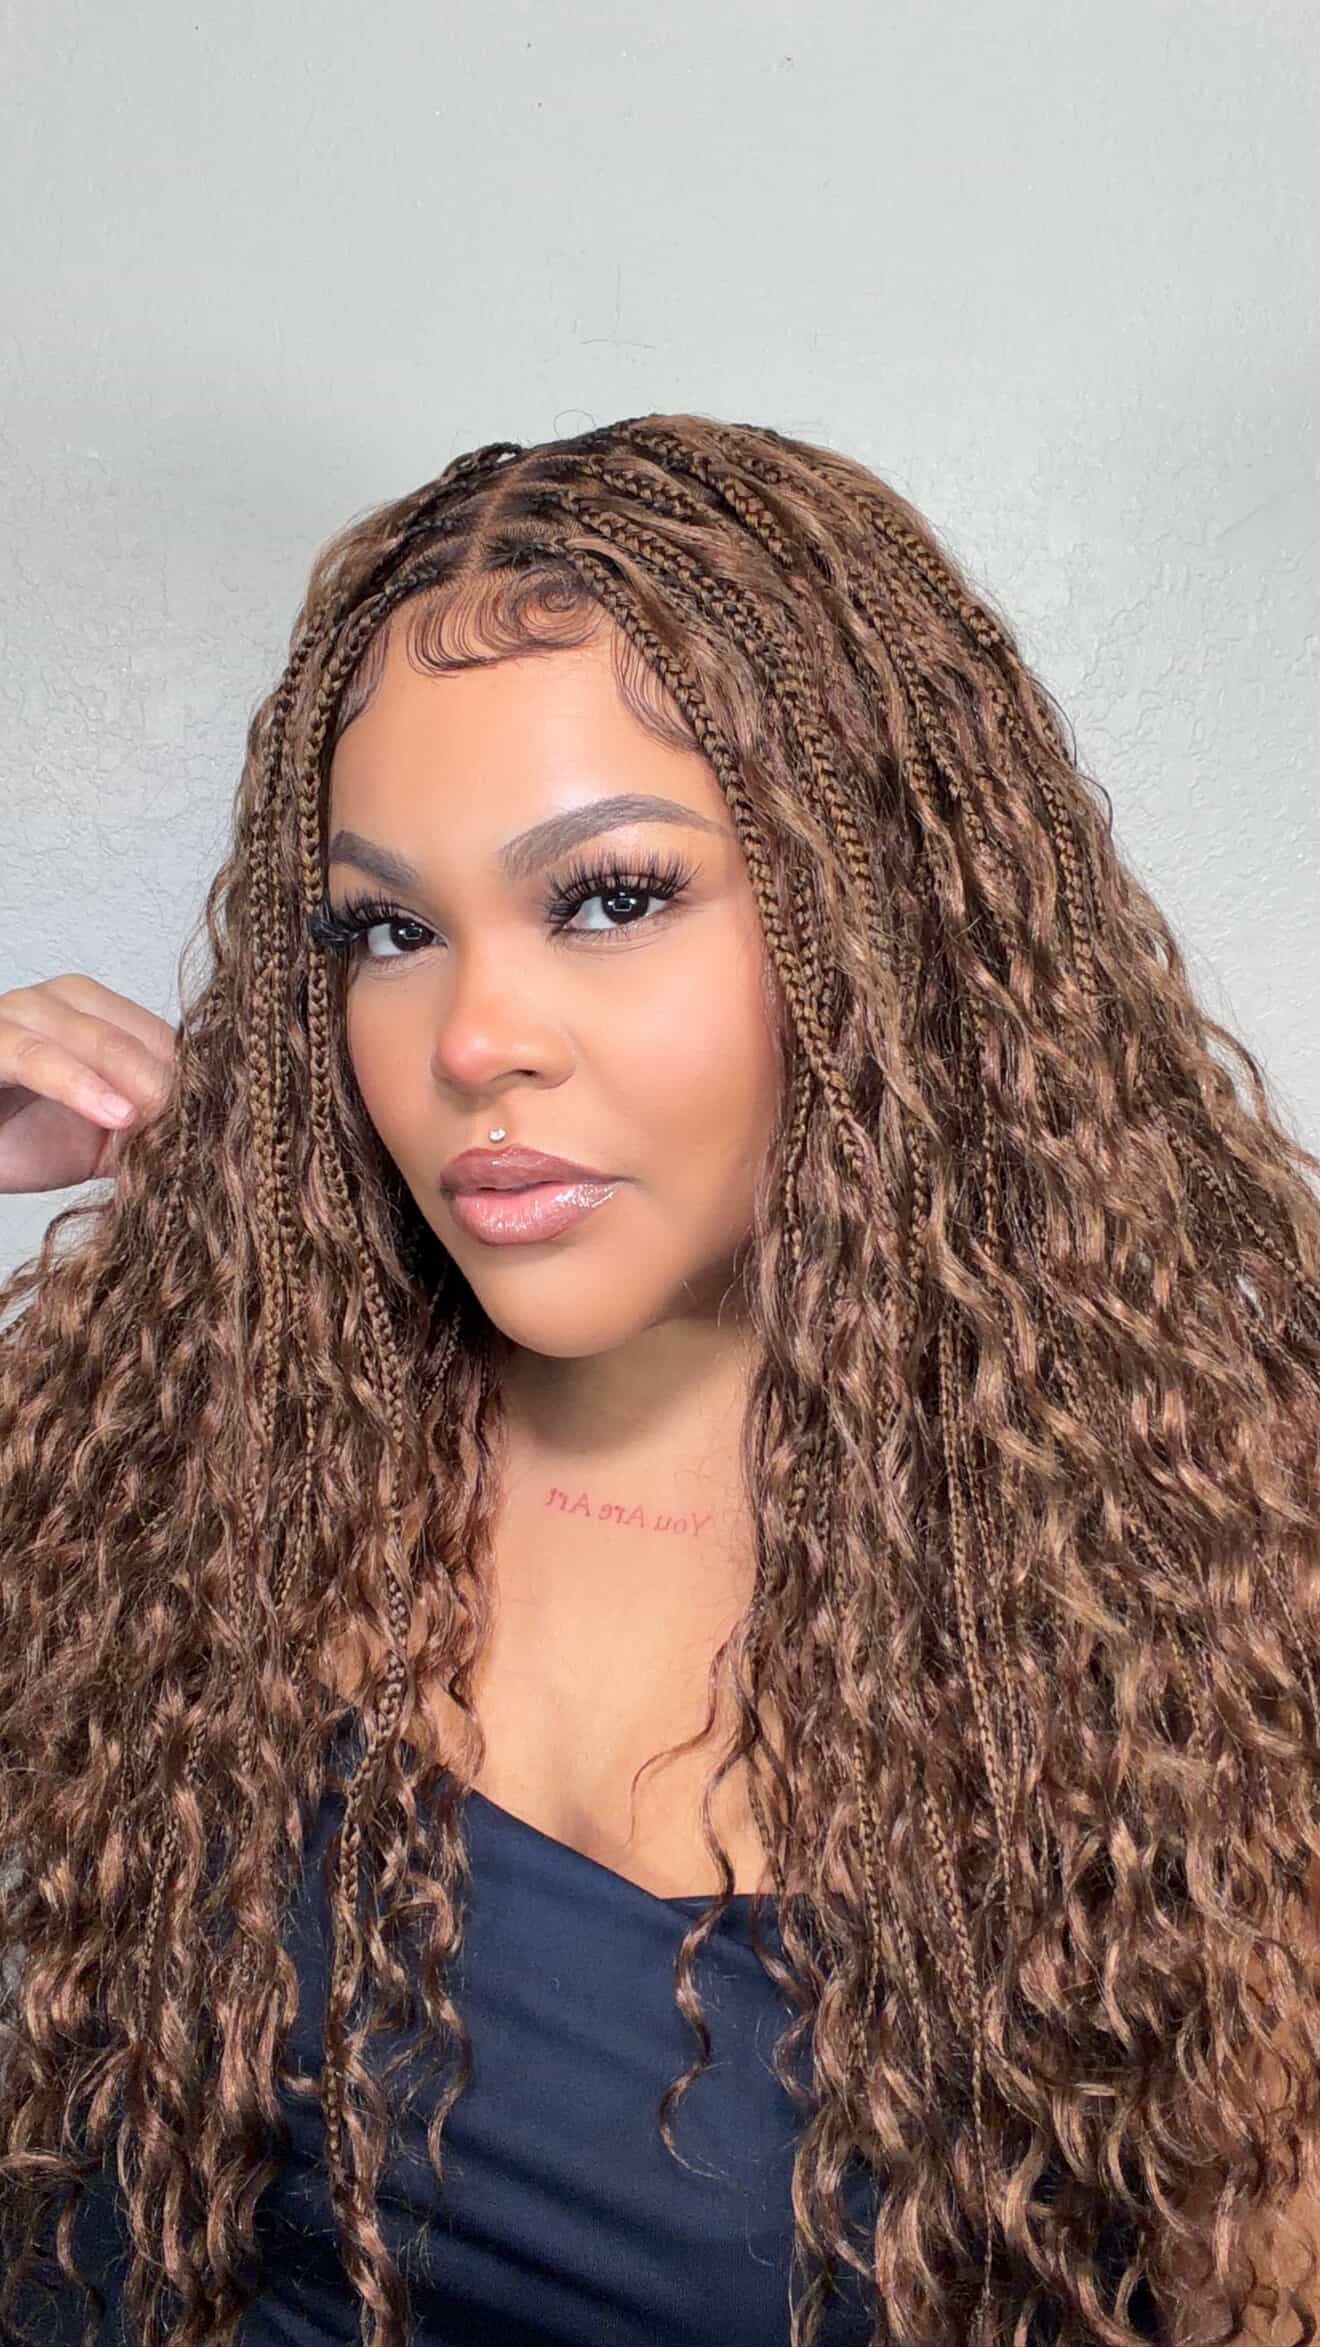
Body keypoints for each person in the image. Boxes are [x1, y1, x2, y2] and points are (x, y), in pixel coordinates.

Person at [0, 413, 1317, 2347]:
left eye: (608, 896)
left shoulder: (1212, 1582)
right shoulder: (180, 1446)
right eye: (388, 929)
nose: (473, 1039)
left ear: (888, 920)